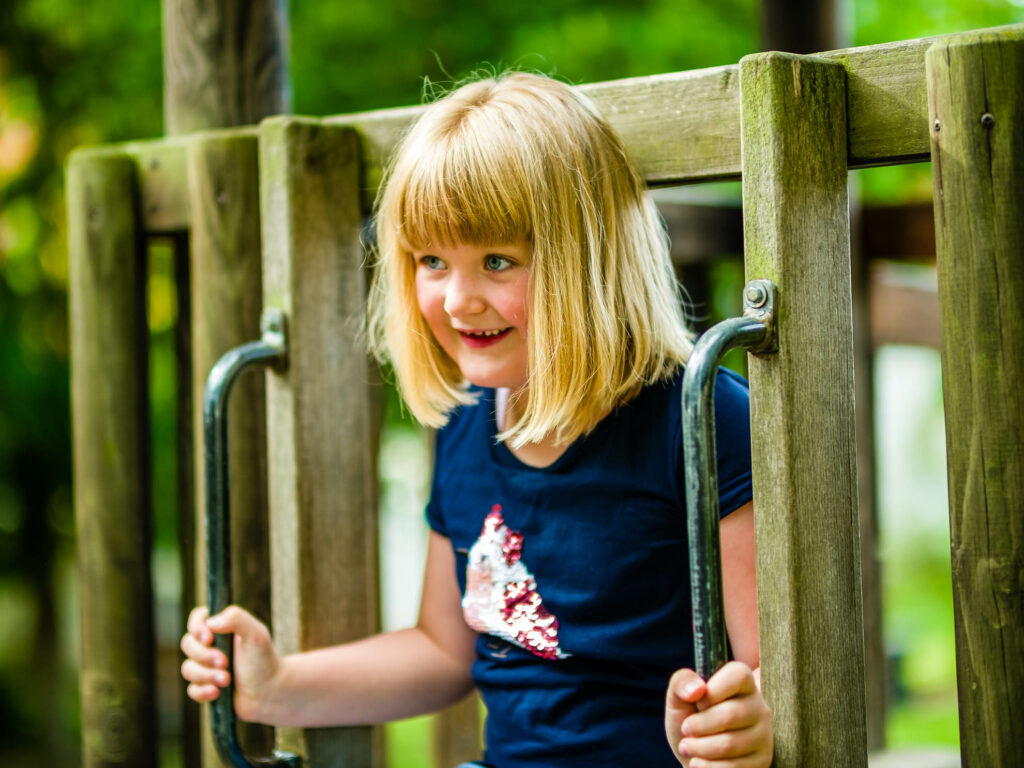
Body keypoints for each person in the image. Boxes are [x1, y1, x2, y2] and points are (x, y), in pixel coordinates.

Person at [181, 71, 773, 768]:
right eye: (432, 261)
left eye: (497, 261)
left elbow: (775, 666)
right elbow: (442, 649)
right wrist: (277, 686)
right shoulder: (467, 422)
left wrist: (743, 720)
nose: (459, 300)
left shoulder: (702, 420)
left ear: (589, 262)